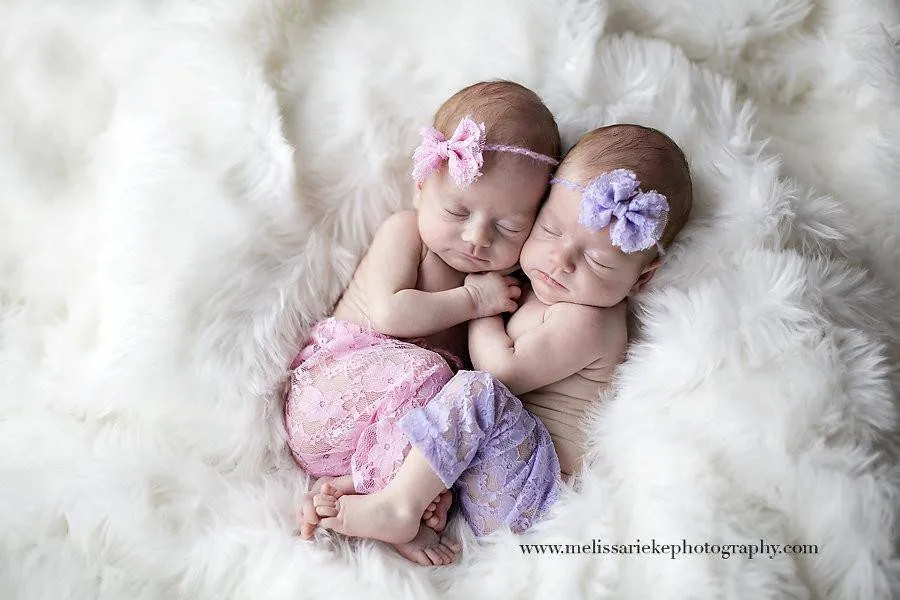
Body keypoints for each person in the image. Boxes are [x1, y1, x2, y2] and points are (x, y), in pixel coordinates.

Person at [310, 123, 693, 545]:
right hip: (492, 471)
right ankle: (382, 488)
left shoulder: (590, 320)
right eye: (550, 230)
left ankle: (399, 507)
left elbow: (498, 371)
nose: (561, 260)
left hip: (533, 490)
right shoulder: (541, 291)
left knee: (476, 391)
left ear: (641, 279)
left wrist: (481, 302)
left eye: (597, 262)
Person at [284, 80, 561, 566]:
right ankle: (392, 506)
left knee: (456, 412)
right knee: (436, 375)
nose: (476, 238)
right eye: (457, 210)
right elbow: (392, 312)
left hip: (372, 447)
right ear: (420, 187)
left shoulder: (503, 282)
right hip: (331, 395)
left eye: (508, 227)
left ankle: (372, 502)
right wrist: (473, 298)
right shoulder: (405, 232)